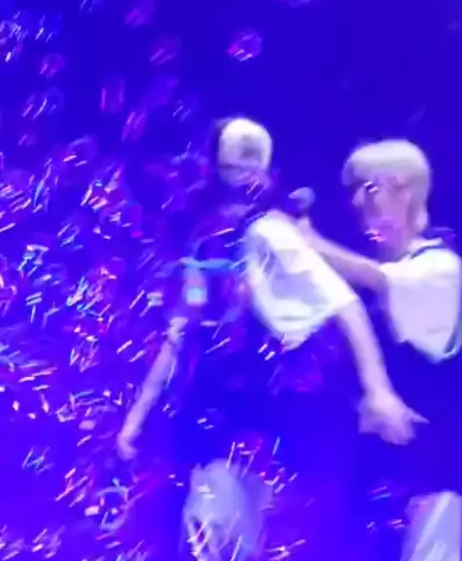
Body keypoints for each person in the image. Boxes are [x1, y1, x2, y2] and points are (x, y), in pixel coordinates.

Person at [298, 139, 462, 561]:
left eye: (368, 189)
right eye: (353, 191)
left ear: (404, 191)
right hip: (382, 464)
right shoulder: (388, 273)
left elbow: (379, 281)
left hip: (433, 458)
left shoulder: (439, 265)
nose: (357, 203)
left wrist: (306, 243)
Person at [118, 119, 420, 459]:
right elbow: (182, 330)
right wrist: (137, 416)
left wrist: (378, 390)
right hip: (234, 414)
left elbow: (345, 304)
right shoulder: (208, 250)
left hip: (288, 416)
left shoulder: (268, 235)